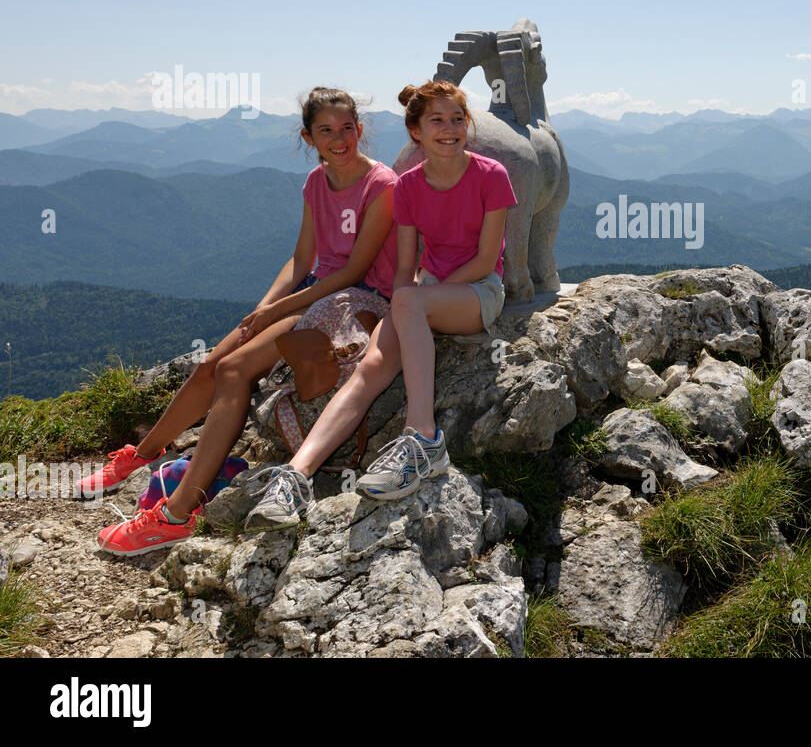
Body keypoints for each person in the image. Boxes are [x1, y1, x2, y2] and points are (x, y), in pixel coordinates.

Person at [92, 88, 399, 555]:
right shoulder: (317, 182)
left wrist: (278, 311)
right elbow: (301, 259)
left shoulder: (382, 184)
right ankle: (144, 454)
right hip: (316, 288)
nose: (340, 139)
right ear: (308, 136)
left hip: (359, 298)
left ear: (360, 128)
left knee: (235, 371)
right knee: (209, 366)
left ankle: (176, 515)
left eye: (347, 128)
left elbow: (355, 270)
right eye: (326, 131)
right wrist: (260, 310)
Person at [244, 78, 515, 529]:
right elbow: (404, 268)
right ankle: (296, 476)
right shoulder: (407, 187)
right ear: (416, 132)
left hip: (478, 292)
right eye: (436, 121)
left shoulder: (491, 175)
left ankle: (424, 438)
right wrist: (409, 302)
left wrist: (414, 300)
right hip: (422, 295)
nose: (449, 129)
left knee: (407, 303)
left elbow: (487, 260)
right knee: (371, 368)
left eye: (456, 120)